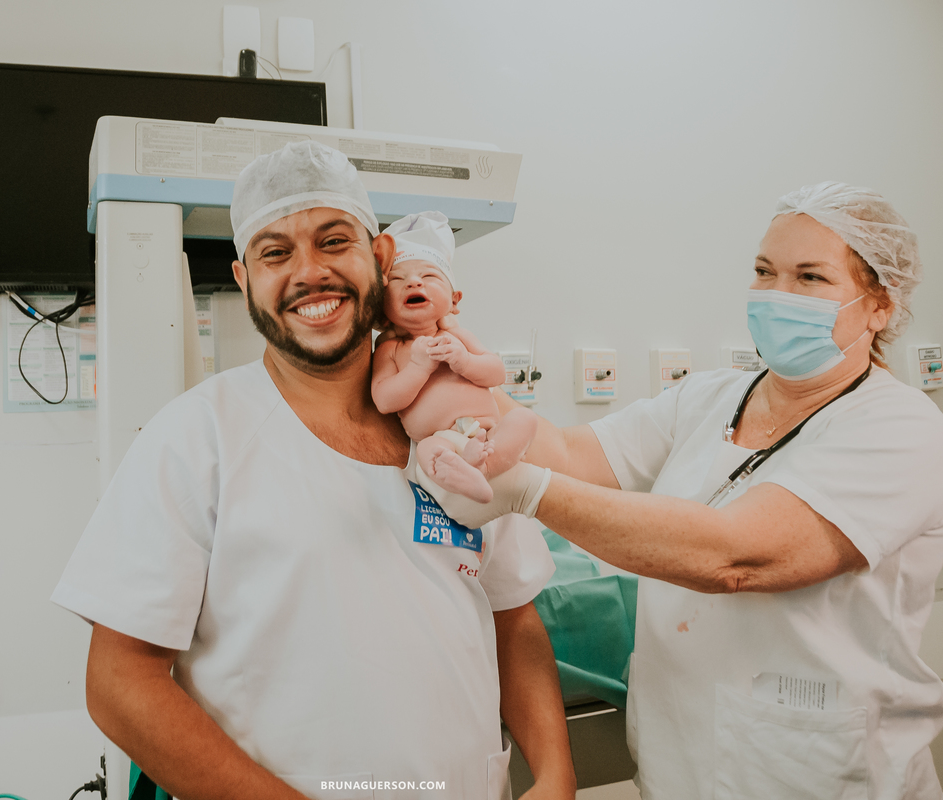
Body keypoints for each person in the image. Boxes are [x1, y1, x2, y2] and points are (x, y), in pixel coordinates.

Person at [51, 140, 576, 800]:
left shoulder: (459, 432)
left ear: (380, 257)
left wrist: (556, 773)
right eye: (276, 252)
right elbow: (120, 681)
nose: (309, 272)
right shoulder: (196, 438)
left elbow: (514, 618)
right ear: (245, 279)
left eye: (333, 241)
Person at [424, 182, 943, 800]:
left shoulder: (900, 428)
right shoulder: (711, 396)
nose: (777, 295)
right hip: (680, 764)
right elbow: (573, 455)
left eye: (810, 278)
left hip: (819, 772)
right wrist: (458, 369)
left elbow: (735, 556)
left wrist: (526, 491)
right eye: (764, 271)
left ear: (879, 306)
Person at [372, 211, 538, 504]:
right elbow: (384, 401)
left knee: (525, 419)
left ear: (455, 300)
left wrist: (465, 362)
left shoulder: (459, 338)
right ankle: (464, 469)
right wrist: (418, 368)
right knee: (426, 452)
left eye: (428, 276)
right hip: (440, 439)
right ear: (381, 312)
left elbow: (497, 373)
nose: (413, 283)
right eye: (398, 279)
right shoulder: (392, 350)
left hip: (488, 433)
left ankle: (482, 467)